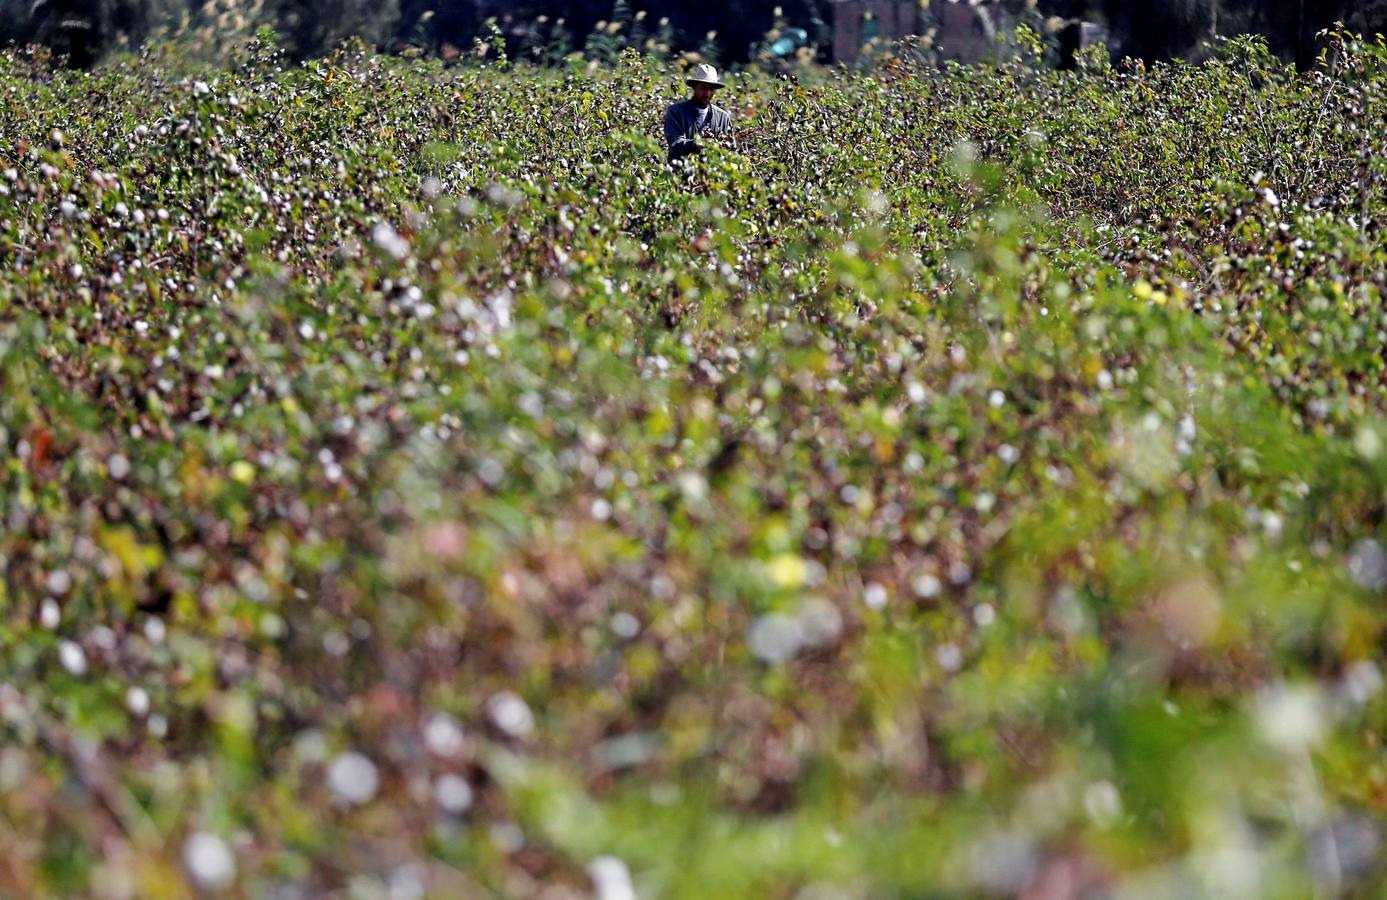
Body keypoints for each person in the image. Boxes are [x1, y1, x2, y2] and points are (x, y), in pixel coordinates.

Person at [663, 63, 733, 164]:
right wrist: (699, 144)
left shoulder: (723, 117)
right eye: (703, 88)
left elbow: (729, 150)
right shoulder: (676, 112)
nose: (708, 94)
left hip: (711, 176)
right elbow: (675, 144)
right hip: (681, 173)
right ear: (694, 87)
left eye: (711, 89)